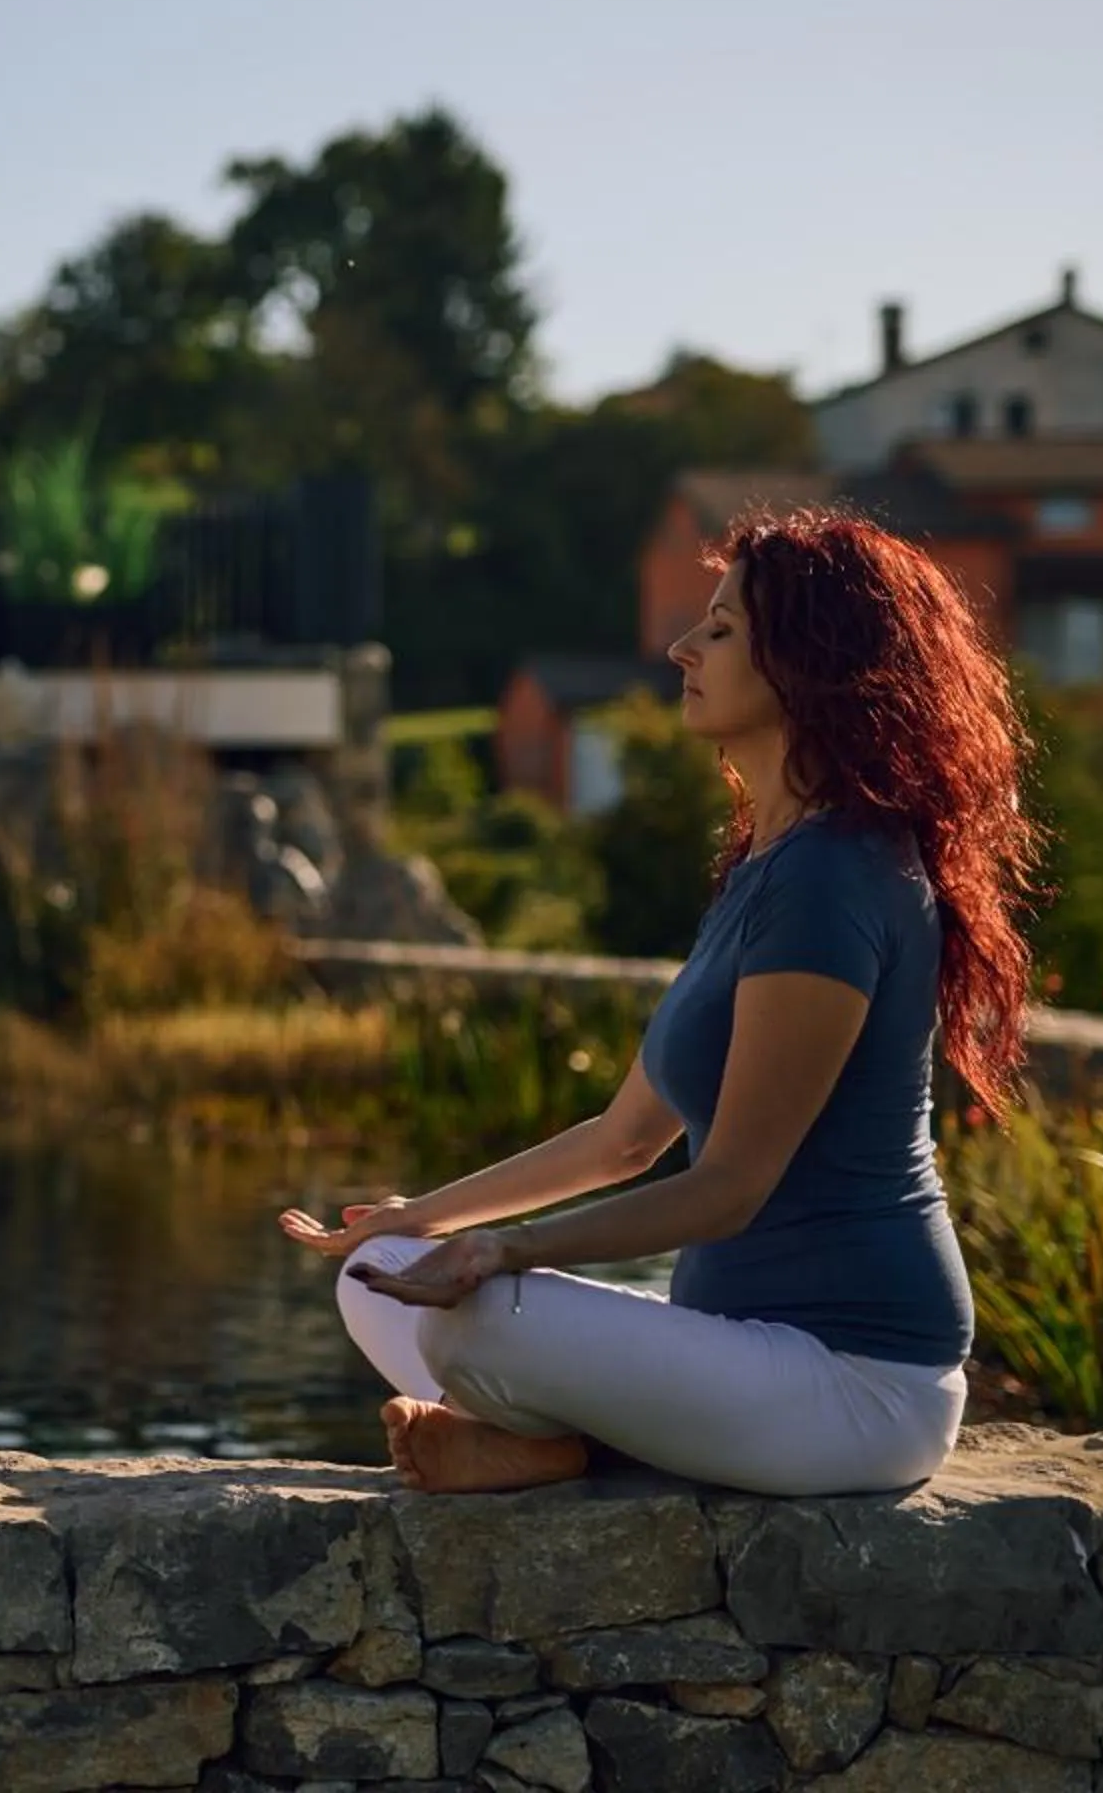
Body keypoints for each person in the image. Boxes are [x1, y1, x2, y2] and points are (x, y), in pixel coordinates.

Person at [278, 507, 1037, 1496]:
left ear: (813, 659)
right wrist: (422, 1215)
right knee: (373, 1269)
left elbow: (730, 1185)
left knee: (468, 1316)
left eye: (720, 629)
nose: (682, 646)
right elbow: (623, 1138)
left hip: (854, 1384)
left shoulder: (836, 879)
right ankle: (549, 1438)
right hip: (740, 1350)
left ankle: (553, 1439)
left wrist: (503, 1248)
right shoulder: (769, 866)